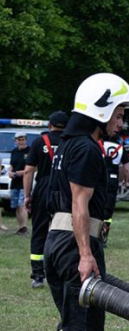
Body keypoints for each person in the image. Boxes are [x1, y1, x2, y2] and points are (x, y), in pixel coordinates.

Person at [14, 72, 129, 331]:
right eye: (118, 113)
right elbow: (80, 205)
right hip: (74, 245)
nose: (121, 121)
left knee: (71, 323)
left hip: (58, 241)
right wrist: (86, 254)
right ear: (101, 110)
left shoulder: (68, 145)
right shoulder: (86, 148)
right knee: (85, 330)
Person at [24, 111, 68, 288]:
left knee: (39, 231)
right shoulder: (70, 142)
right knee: (63, 231)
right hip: (64, 188)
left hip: (43, 188)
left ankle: (38, 275)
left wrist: (28, 195)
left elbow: (28, 171)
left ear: (50, 125)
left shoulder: (39, 141)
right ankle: (62, 271)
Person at [99, 136, 129, 244]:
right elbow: (126, 169)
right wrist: (126, 181)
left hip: (100, 178)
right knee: (108, 207)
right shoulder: (120, 148)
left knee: (97, 205)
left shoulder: (99, 144)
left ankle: (94, 234)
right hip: (112, 179)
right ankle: (104, 236)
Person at [9, 133, 30, 235]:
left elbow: (32, 167)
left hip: (24, 182)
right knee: (16, 205)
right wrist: (10, 172)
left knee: (22, 204)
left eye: (23, 139)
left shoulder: (29, 151)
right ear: (15, 141)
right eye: (19, 140)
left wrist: (21, 172)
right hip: (14, 182)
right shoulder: (14, 152)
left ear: (26, 140)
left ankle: (25, 227)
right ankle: (20, 227)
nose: (21, 142)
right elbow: (11, 165)